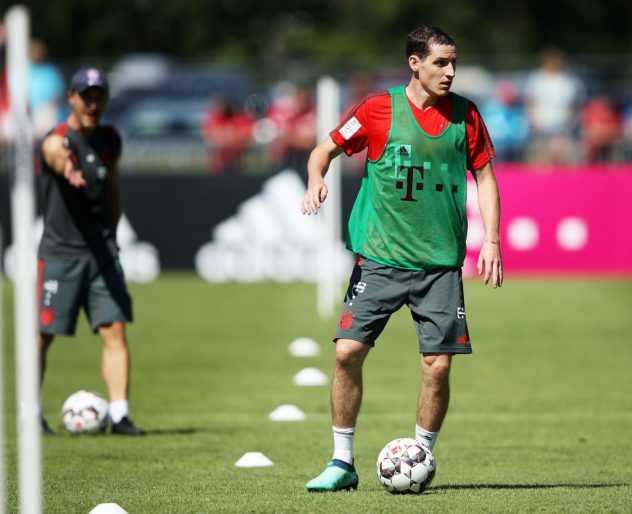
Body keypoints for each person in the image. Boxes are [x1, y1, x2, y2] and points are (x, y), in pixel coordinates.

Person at [301, 25, 502, 492]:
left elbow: (486, 177)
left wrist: (491, 240)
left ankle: (421, 454)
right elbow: (323, 150)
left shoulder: (466, 116)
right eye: (441, 63)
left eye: (454, 63)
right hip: (380, 258)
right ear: (415, 63)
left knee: (438, 366)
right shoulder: (377, 109)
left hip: (439, 265)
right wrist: (315, 179)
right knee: (347, 352)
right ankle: (341, 461)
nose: (450, 72)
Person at [38, 67, 144, 436]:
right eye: (86, 96)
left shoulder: (111, 138)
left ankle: (119, 414)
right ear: (72, 98)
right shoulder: (58, 139)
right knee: (42, 334)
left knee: (114, 330)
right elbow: (54, 151)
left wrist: (112, 238)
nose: (93, 103)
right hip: (60, 253)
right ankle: (30, 412)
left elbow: (112, 189)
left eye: (99, 96)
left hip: (100, 252)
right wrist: (66, 163)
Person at [524, 47, 584, 164]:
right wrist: (532, 119)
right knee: (542, 156)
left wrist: (570, 123)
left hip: (562, 122)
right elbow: (530, 101)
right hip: (541, 122)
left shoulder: (568, 80)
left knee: (560, 153)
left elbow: (573, 104)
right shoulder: (537, 78)